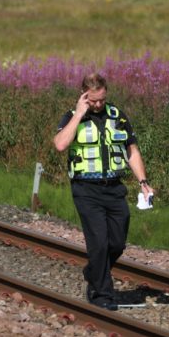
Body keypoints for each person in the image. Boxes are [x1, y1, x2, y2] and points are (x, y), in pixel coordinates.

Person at [53, 73, 154, 311]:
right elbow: (60, 144)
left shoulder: (117, 116)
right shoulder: (72, 116)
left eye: (101, 100)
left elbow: (132, 151)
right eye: (93, 101)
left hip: (114, 188)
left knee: (116, 243)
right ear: (84, 96)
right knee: (98, 243)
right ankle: (101, 294)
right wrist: (79, 113)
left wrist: (143, 181)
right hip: (86, 189)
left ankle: (93, 272)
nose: (98, 105)